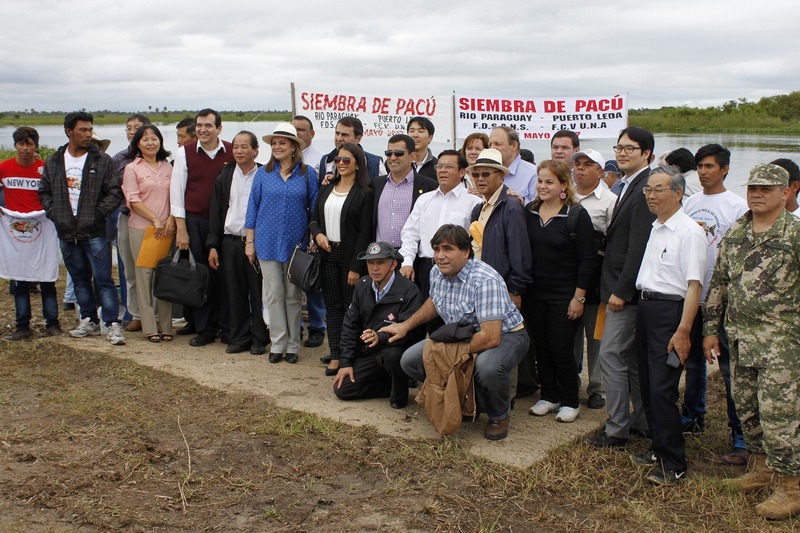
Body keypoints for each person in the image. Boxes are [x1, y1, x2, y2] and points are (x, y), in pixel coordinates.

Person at [703, 164, 800, 520]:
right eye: (753, 187)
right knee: (747, 408)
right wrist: (710, 330)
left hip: (783, 345)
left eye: (767, 188)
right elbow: (719, 284)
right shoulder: (737, 231)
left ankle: (791, 486)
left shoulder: (793, 234)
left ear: (785, 192)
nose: (757, 193)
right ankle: (760, 469)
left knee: (781, 416)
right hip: (740, 340)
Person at [386, 224, 529, 440]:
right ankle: (459, 399)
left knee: (487, 367)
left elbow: (491, 336)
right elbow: (434, 303)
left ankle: (499, 415)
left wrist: (451, 354)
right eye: (436, 249)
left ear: (465, 252)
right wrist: (405, 326)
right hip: (461, 335)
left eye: (447, 249)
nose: (440, 256)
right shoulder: (436, 271)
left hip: (507, 336)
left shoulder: (485, 280)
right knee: (410, 361)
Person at [630, 166, 706, 486]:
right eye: (648, 189)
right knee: (647, 383)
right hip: (646, 308)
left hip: (671, 313)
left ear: (677, 193)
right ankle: (658, 448)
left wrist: (684, 329)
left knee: (663, 388)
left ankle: (674, 461)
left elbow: (694, 286)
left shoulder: (690, 231)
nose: (651, 195)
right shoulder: (656, 227)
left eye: (658, 189)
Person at [589, 126, 656, 448]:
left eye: (630, 148)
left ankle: (617, 428)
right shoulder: (630, 184)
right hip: (617, 287)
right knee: (628, 359)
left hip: (623, 292)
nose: (622, 153)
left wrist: (622, 290)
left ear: (646, 154)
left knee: (612, 356)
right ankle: (642, 422)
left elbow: (638, 246)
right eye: (619, 147)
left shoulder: (646, 188)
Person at [680, 144, 748, 464]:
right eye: (699, 167)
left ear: (724, 169)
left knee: (729, 369)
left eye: (709, 166)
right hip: (693, 295)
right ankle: (693, 415)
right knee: (692, 362)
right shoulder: (689, 203)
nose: (703, 172)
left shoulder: (737, 206)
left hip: (722, 300)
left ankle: (740, 433)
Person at [38, 111, 125, 346]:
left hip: (95, 231)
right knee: (79, 278)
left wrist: (98, 214)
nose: (88, 134)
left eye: (90, 130)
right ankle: (88, 320)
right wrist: (55, 214)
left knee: (103, 278)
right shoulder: (54, 161)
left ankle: (112, 323)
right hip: (66, 231)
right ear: (69, 131)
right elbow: (44, 191)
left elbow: (115, 192)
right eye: (83, 130)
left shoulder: (101, 160)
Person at [525, 160, 595, 423]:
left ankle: (570, 400)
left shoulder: (576, 215)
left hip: (565, 294)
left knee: (561, 347)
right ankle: (549, 395)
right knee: (541, 346)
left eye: (550, 181)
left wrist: (579, 297)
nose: (543, 186)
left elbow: (587, 260)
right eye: (540, 181)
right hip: (535, 293)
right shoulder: (530, 211)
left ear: (564, 185)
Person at [245, 122, 317, 364]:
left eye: (282, 143)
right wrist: (249, 242)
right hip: (266, 243)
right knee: (274, 295)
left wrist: (312, 239)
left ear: (294, 147)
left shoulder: (308, 174)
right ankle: (278, 343)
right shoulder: (263, 174)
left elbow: (314, 210)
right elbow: (252, 208)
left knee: (292, 296)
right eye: (274, 143)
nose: (277, 147)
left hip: (295, 246)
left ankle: (293, 345)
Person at [170, 108, 234, 346]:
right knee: (201, 277)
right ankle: (205, 329)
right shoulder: (185, 153)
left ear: (219, 128)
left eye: (208, 125)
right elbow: (177, 193)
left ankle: (228, 328)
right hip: (196, 221)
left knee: (226, 276)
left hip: (226, 224)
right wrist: (181, 229)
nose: (203, 130)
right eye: (199, 125)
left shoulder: (231, 150)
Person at [333, 242, 424, 408]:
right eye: (370, 263)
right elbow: (349, 325)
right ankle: (389, 384)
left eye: (380, 262)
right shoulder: (362, 285)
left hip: (395, 350)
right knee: (343, 390)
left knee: (392, 355)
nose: (374, 268)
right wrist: (345, 363)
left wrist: (381, 337)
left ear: (393, 264)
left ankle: (400, 392)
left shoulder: (410, 290)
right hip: (369, 352)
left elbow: (413, 335)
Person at [310, 143, 374, 375]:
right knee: (332, 307)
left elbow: (365, 232)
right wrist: (318, 234)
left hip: (351, 259)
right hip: (327, 254)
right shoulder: (327, 188)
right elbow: (314, 217)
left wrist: (357, 267)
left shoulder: (365, 193)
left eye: (347, 160)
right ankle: (336, 354)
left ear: (358, 163)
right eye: (338, 160)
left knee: (351, 309)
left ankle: (351, 354)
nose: (342, 164)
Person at [208, 131, 269, 355]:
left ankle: (260, 338)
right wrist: (213, 245)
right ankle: (240, 336)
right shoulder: (225, 175)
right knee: (234, 292)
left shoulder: (265, 174)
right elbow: (215, 211)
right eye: (236, 147)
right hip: (230, 241)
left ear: (255, 150)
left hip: (256, 242)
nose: (239, 151)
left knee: (258, 290)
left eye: (245, 147)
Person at [398, 150, 482, 310]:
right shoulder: (424, 200)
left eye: (449, 167)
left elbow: (476, 241)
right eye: (440, 166)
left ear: (462, 172)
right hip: (426, 268)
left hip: (457, 271)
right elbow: (410, 234)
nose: (442, 170)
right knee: (423, 318)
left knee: (453, 324)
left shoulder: (473, 202)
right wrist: (407, 262)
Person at [0, 127, 61, 341]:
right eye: (21, 144)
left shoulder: (44, 169)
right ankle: (22, 327)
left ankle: (52, 324)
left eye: (29, 144)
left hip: (42, 231)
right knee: (19, 282)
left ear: (36, 145)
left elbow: (55, 195)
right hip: (14, 235)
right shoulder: (4, 167)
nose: (25, 149)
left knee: (47, 279)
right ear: (15, 145)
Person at [570, 149, 617, 410]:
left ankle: (597, 387)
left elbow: (614, 245)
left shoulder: (611, 201)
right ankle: (571, 381)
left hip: (597, 280)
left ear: (601, 171)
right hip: (569, 277)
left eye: (588, 164)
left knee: (596, 336)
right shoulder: (566, 197)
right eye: (578, 164)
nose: (581, 169)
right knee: (571, 335)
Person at [121, 124, 175, 342]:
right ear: (137, 144)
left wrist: (171, 219)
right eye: (145, 139)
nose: (150, 143)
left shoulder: (168, 167)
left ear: (160, 141)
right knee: (144, 277)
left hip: (168, 229)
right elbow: (133, 200)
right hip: (143, 229)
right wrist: (155, 219)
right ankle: (150, 327)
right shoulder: (132, 169)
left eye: (154, 138)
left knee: (165, 277)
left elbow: (176, 197)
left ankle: (166, 325)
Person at [467, 148, 531, 309]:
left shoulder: (511, 206)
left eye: (486, 174)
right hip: (479, 286)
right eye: (476, 174)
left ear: (501, 176)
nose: (480, 179)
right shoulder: (478, 208)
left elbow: (519, 252)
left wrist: (515, 291)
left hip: (502, 289)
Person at [112, 113, 151, 333]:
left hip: (154, 220)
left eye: (137, 127)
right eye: (129, 128)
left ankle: (154, 313)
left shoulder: (159, 159)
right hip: (127, 217)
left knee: (153, 267)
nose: (132, 131)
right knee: (130, 267)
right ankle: (135, 313)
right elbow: (110, 190)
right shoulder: (118, 159)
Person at [291, 115, 326, 348]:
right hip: (290, 229)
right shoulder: (282, 158)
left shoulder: (321, 160)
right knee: (292, 282)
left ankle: (317, 327)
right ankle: (295, 329)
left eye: (302, 130)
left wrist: (316, 231)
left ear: (312, 134)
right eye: (293, 130)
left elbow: (319, 199)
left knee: (313, 281)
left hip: (312, 229)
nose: (297, 134)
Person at [372, 134, 437, 249]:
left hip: (413, 257)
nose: (392, 158)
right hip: (380, 258)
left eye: (398, 153)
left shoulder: (429, 186)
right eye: (389, 153)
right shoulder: (376, 184)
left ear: (412, 156)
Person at [318, 116, 383, 182]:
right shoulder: (325, 161)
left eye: (344, 135)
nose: (339, 138)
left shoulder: (376, 164)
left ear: (358, 138)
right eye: (337, 133)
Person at [489, 127, 537, 202]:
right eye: (490, 144)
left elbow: (540, 208)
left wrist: (521, 202)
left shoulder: (533, 174)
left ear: (514, 145)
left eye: (498, 144)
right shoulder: (486, 173)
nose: (492, 148)